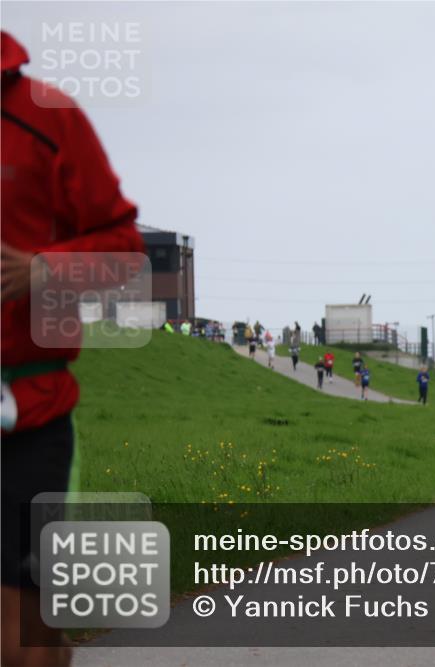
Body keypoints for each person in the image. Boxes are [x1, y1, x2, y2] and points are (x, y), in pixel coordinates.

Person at [1, 30, 145, 667]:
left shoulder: (47, 116)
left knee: (22, 630)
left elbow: (126, 251)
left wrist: (44, 270)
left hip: (28, 409)